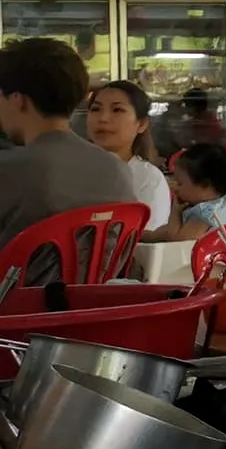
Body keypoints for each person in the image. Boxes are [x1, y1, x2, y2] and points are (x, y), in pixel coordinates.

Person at [0, 38, 137, 281]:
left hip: (16, 315)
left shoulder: (8, 170)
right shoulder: (117, 169)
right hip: (94, 312)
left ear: (17, 99)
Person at [85, 80, 171, 230]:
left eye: (117, 110)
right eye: (95, 109)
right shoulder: (73, 169)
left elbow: (147, 244)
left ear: (141, 124)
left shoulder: (148, 179)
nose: (103, 118)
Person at [144, 142, 226, 242]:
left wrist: (175, 211)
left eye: (180, 183)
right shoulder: (196, 205)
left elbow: (176, 240)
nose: (175, 188)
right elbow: (166, 232)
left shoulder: (208, 213)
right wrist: (145, 236)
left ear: (205, 186)